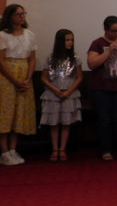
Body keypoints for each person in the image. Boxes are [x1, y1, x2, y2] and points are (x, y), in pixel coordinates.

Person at [87, 16, 117, 161]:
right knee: (105, 120)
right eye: (113, 31)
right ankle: (106, 150)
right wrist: (109, 51)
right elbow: (91, 64)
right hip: (101, 89)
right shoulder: (97, 43)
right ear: (106, 29)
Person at [0, 4, 37, 165]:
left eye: (23, 14)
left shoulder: (29, 34)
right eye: (18, 14)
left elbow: (32, 59)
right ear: (10, 17)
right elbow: (1, 60)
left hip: (24, 74)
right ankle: (4, 152)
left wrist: (28, 78)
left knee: (18, 113)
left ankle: (13, 149)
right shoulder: (2, 35)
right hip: (7, 76)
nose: (22, 17)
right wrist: (14, 80)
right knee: (6, 112)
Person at [40, 29, 83, 162]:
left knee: (66, 122)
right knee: (54, 123)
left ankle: (62, 149)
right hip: (53, 94)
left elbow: (79, 77)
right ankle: (55, 149)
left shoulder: (75, 58)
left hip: (69, 93)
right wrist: (56, 90)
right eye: (67, 40)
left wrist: (69, 91)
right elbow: (44, 78)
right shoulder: (50, 58)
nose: (70, 42)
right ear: (60, 42)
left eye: (72, 40)